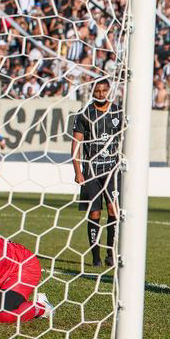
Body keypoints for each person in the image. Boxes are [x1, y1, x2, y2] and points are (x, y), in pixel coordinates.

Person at [71, 79, 122, 267]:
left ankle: (110, 253)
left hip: (112, 171)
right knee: (94, 213)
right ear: (93, 92)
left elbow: (127, 139)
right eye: (97, 91)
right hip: (91, 171)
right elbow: (76, 143)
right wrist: (77, 170)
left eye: (104, 91)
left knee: (113, 210)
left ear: (109, 91)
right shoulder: (84, 114)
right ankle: (96, 257)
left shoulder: (118, 111)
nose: (101, 94)